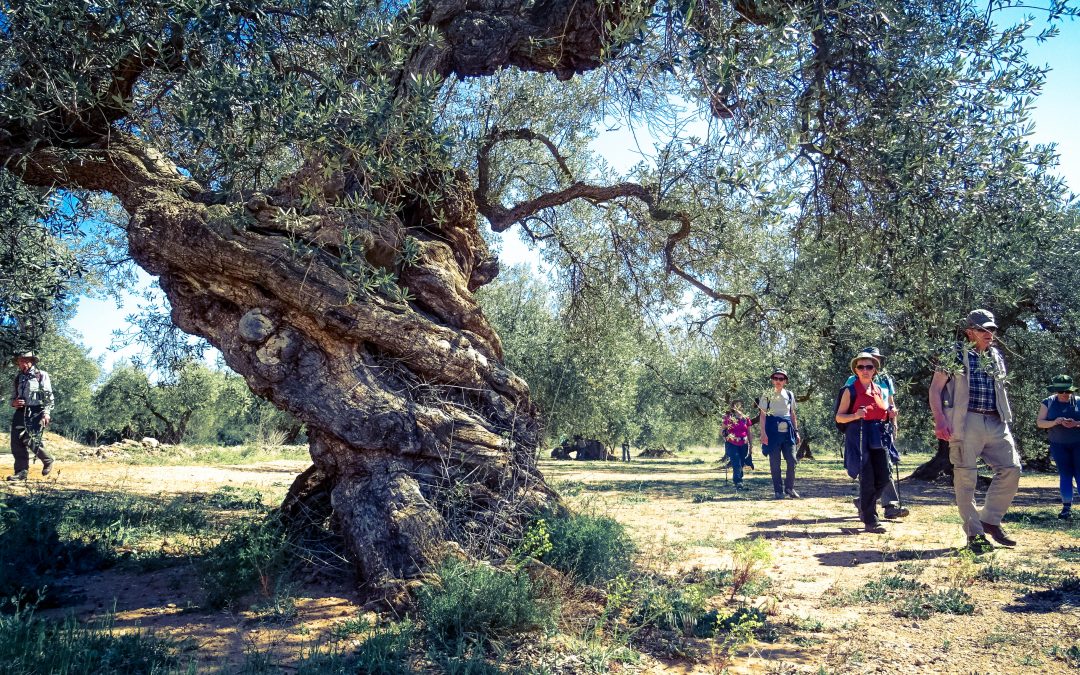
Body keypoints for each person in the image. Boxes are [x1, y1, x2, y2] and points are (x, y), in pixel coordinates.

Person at [928, 309, 1021, 554]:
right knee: (966, 477)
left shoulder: (996, 355)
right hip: (965, 421)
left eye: (992, 329)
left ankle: (990, 520)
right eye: (983, 329)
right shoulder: (954, 353)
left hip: (996, 421)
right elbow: (935, 389)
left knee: (1012, 469)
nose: (989, 334)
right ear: (970, 331)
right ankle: (975, 534)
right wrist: (940, 420)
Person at [844, 346, 909, 519]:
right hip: (862, 431)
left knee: (885, 466)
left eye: (874, 360)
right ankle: (887, 506)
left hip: (882, 428)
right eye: (864, 363)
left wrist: (893, 421)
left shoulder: (886, 380)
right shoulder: (852, 380)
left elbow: (890, 402)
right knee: (869, 470)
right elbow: (848, 404)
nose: (868, 366)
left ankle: (872, 502)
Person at [838, 352, 892, 533]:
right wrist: (854, 415)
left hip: (877, 436)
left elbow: (880, 413)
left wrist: (890, 414)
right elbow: (839, 417)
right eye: (861, 367)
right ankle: (871, 520)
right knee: (867, 479)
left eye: (869, 367)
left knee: (884, 476)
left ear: (874, 370)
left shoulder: (877, 389)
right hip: (858, 436)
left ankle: (863, 502)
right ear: (856, 370)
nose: (865, 370)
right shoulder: (850, 390)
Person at [1037, 375, 1080, 520]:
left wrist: (1076, 424)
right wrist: (1055, 422)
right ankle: (1066, 508)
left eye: (1068, 392)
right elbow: (1040, 423)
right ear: (1055, 391)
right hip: (1058, 445)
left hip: (1078, 444)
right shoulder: (1047, 402)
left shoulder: (1078, 401)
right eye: (1061, 392)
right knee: (1065, 475)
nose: (1065, 395)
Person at [8, 351, 55, 481]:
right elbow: (11, 398)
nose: (22, 363)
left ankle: (47, 459)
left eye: (25, 360)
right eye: (20, 361)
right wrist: (14, 403)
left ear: (32, 361)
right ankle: (21, 472)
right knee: (16, 441)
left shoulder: (41, 375)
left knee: (30, 438)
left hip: (36, 411)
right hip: (20, 412)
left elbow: (48, 396)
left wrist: (46, 413)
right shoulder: (18, 378)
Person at [759, 369, 800, 499]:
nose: (778, 381)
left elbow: (792, 414)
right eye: (775, 378)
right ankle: (778, 491)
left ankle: (789, 488)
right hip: (772, 433)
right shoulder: (767, 395)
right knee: (775, 463)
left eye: (781, 379)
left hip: (788, 433)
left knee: (792, 461)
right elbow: (763, 415)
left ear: (785, 381)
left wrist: (796, 431)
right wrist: (763, 433)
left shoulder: (789, 394)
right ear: (772, 380)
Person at [722, 400, 752, 489]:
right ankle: (738, 481)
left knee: (741, 462)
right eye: (736, 406)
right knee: (736, 462)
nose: (738, 407)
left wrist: (751, 445)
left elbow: (749, 432)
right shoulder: (729, 418)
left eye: (740, 405)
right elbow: (722, 431)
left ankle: (739, 477)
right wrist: (727, 437)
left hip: (744, 443)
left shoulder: (746, 418)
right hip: (732, 443)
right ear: (733, 407)